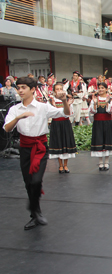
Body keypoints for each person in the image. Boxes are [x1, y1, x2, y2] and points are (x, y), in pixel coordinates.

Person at [3, 76, 71, 230]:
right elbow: (7, 128)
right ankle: (35, 214)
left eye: (23, 87)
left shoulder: (43, 107)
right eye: (18, 87)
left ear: (32, 89)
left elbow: (65, 113)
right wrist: (19, 117)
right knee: (28, 182)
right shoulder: (15, 109)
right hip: (25, 148)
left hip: (40, 147)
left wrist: (65, 100)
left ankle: (34, 209)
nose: (20, 90)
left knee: (36, 180)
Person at [48, 82, 76, 173]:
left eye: (61, 89)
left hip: (65, 123)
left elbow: (70, 113)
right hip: (56, 124)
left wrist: (69, 104)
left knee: (66, 143)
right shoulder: (51, 100)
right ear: (54, 91)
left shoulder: (67, 99)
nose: (59, 91)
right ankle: (60, 165)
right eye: (57, 89)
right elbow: (53, 112)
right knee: (58, 143)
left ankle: (65, 165)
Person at [89, 82, 112, 171]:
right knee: (99, 141)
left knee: (107, 141)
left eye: (102, 88)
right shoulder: (95, 99)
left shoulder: (111, 100)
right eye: (99, 88)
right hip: (98, 123)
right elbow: (91, 112)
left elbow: (111, 111)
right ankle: (101, 162)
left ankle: (107, 162)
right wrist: (94, 104)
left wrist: (106, 103)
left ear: (106, 89)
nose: (100, 89)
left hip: (107, 123)